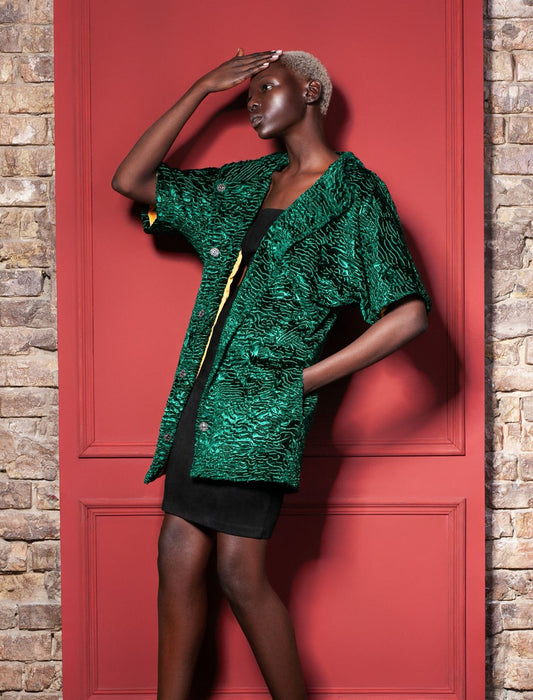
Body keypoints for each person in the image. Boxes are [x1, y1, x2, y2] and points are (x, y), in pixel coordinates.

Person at [112, 48, 431, 700]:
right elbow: (132, 179)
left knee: (238, 572)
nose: (252, 103)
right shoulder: (246, 183)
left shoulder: (354, 196)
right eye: (247, 93)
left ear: (310, 90)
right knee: (176, 553)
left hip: (263, 406)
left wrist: (300, 383)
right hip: (201, 396)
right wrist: (200, 88)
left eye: (266, 88)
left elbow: (408, 316)